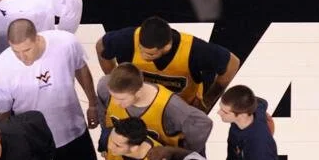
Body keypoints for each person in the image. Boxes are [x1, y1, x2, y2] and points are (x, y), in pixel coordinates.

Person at [0, 20, 100, 160]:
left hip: (73, 130)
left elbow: (80, 68)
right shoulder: (1, 67)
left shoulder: (66, 43)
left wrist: (93, 104)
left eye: (27, 49)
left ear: (37, 39)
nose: (22, 57)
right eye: (15, 51)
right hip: (32, 139)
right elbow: (3, 112)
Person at [95, 16, 240, 111]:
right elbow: (101, 46)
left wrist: (208, 100)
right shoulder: (127, 38)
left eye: (150, 54)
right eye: (141, 49)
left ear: (166, 46)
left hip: (179, 109)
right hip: (137, 104)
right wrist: (115, 77)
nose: (144, 56)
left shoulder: (195, 49)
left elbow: (232, 63)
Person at [99, 63, 211, 154]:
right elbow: (103, 114)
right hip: (122, 153)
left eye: (121, 99)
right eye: (113, 96)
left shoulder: (171, 106)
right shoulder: (105, 86)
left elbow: (203, 123)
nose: (115, 102)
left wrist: (180, 154)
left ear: (138, 92)